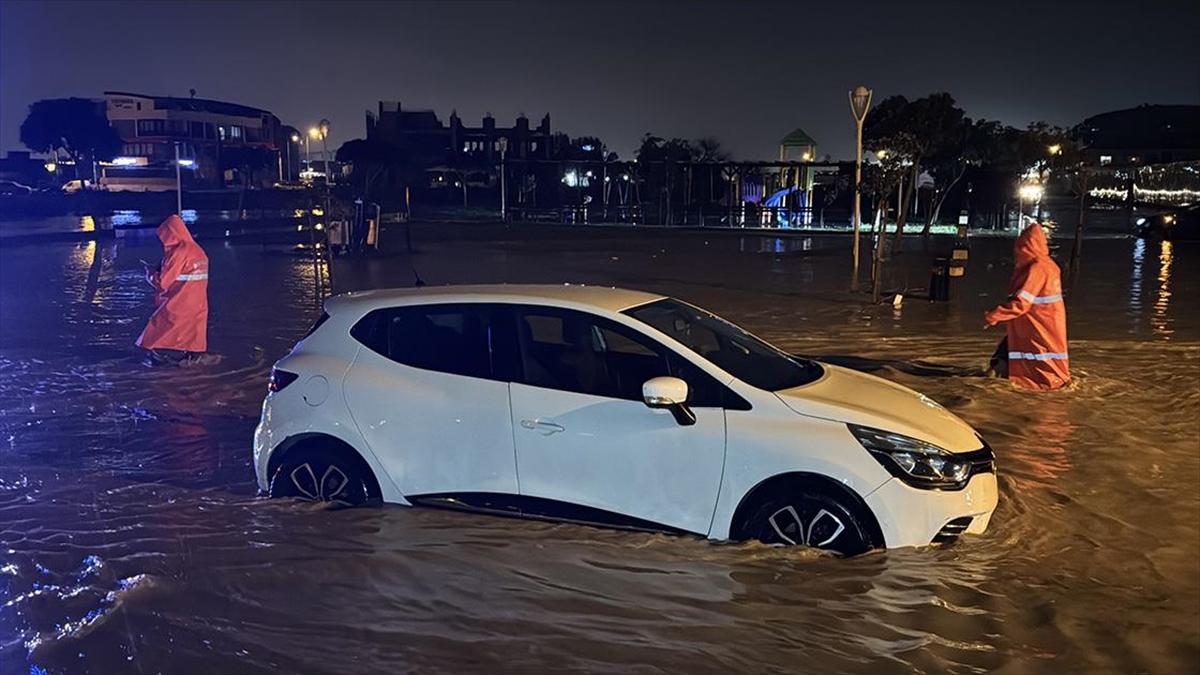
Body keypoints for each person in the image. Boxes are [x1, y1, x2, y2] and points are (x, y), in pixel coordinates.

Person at [983, 221, 1070, 390]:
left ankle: (995, 382)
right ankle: (996, 377)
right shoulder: (1048, 266)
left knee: (1029, 356)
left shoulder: (1037, 268)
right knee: (1011, 353)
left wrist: (993, 316)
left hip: (1035, 325)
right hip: (1039, 323)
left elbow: (1022, 303)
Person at [137, 214, 210, 365]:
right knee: (193, 330)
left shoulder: (179, 251)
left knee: (159, 324)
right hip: (198, 300)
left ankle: (156, 354)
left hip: (180, 298)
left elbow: (164, 282)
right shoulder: (197, 249)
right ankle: (193, 357)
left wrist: (150, 274)